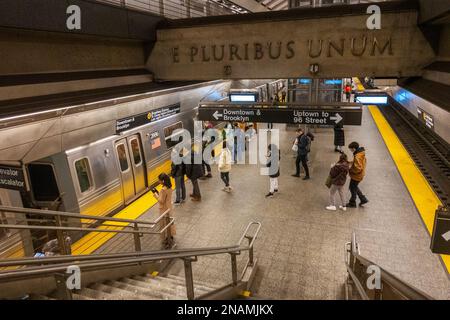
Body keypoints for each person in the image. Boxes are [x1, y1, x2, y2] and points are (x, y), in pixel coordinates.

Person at [153, 173, 175, 247]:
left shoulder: (163, 190)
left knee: (163, 224)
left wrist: (156, 195)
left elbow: (161, 201)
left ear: (162, 180)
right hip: (169, 206)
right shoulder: (170, 187)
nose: (159, 181)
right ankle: (171, 235)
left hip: (163, 208)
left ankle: (166, 238)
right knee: (169, 222)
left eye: (159, 180)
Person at [347, 141, 369, 208]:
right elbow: (358, 163)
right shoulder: (360, 153)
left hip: (357, 175)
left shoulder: (357, 156)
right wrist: (349, 162)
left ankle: (352, 203)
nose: (350, 150)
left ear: (353, 148)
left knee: (352, 187)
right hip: (360, 174)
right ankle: (363, 199)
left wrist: (350, 170)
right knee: (354, 187)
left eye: (350, 149)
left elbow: (358, 168)